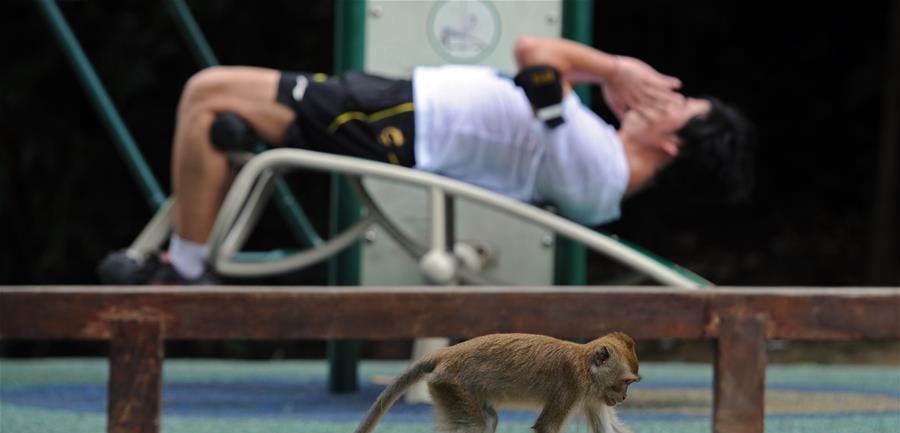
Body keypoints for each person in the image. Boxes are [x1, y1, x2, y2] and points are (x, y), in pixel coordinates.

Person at [104, 36, 753, 284]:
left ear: (673, 145)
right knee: (220, 112)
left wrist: (614, 70)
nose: (661, 94)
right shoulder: (603, 169)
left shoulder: (598, 167)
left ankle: (185, 268)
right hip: (400, 115)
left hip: (400, 125)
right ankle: (187, 254)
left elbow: (534, 55)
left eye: (678, 105)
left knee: (205, 90)